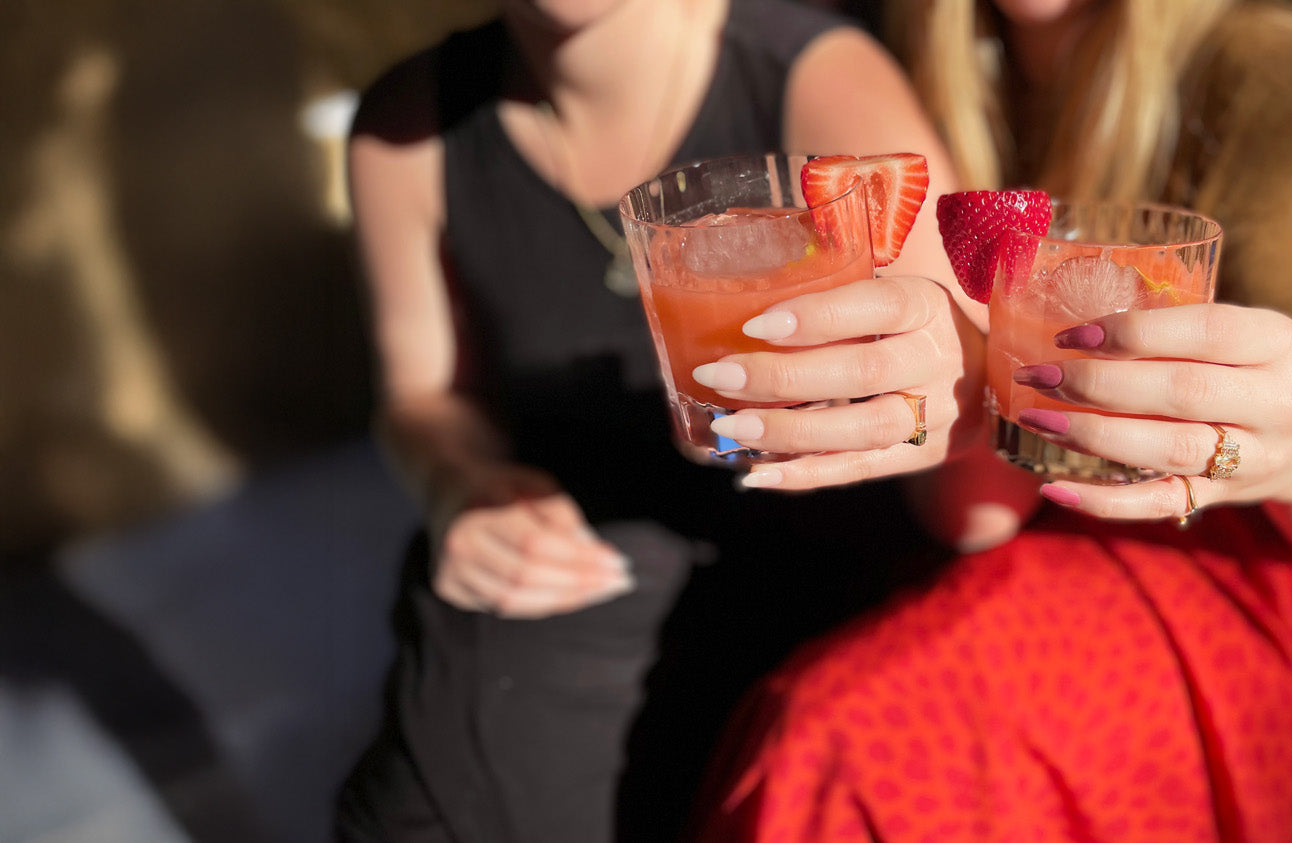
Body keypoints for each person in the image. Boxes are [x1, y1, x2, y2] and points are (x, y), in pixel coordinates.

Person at [690, 0, 1292, 839]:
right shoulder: (921, 68)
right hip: (1067, 540)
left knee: (840, 736)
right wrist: (969, 383)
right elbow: (975, 513)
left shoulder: (1266, 77)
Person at [331, 0, 986, 840]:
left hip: (800, 558)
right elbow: (422, 396)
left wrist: (914, 401)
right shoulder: (406, 127)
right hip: (577, 560)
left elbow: (956, 387)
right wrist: (461, 486)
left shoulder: (811, 72)